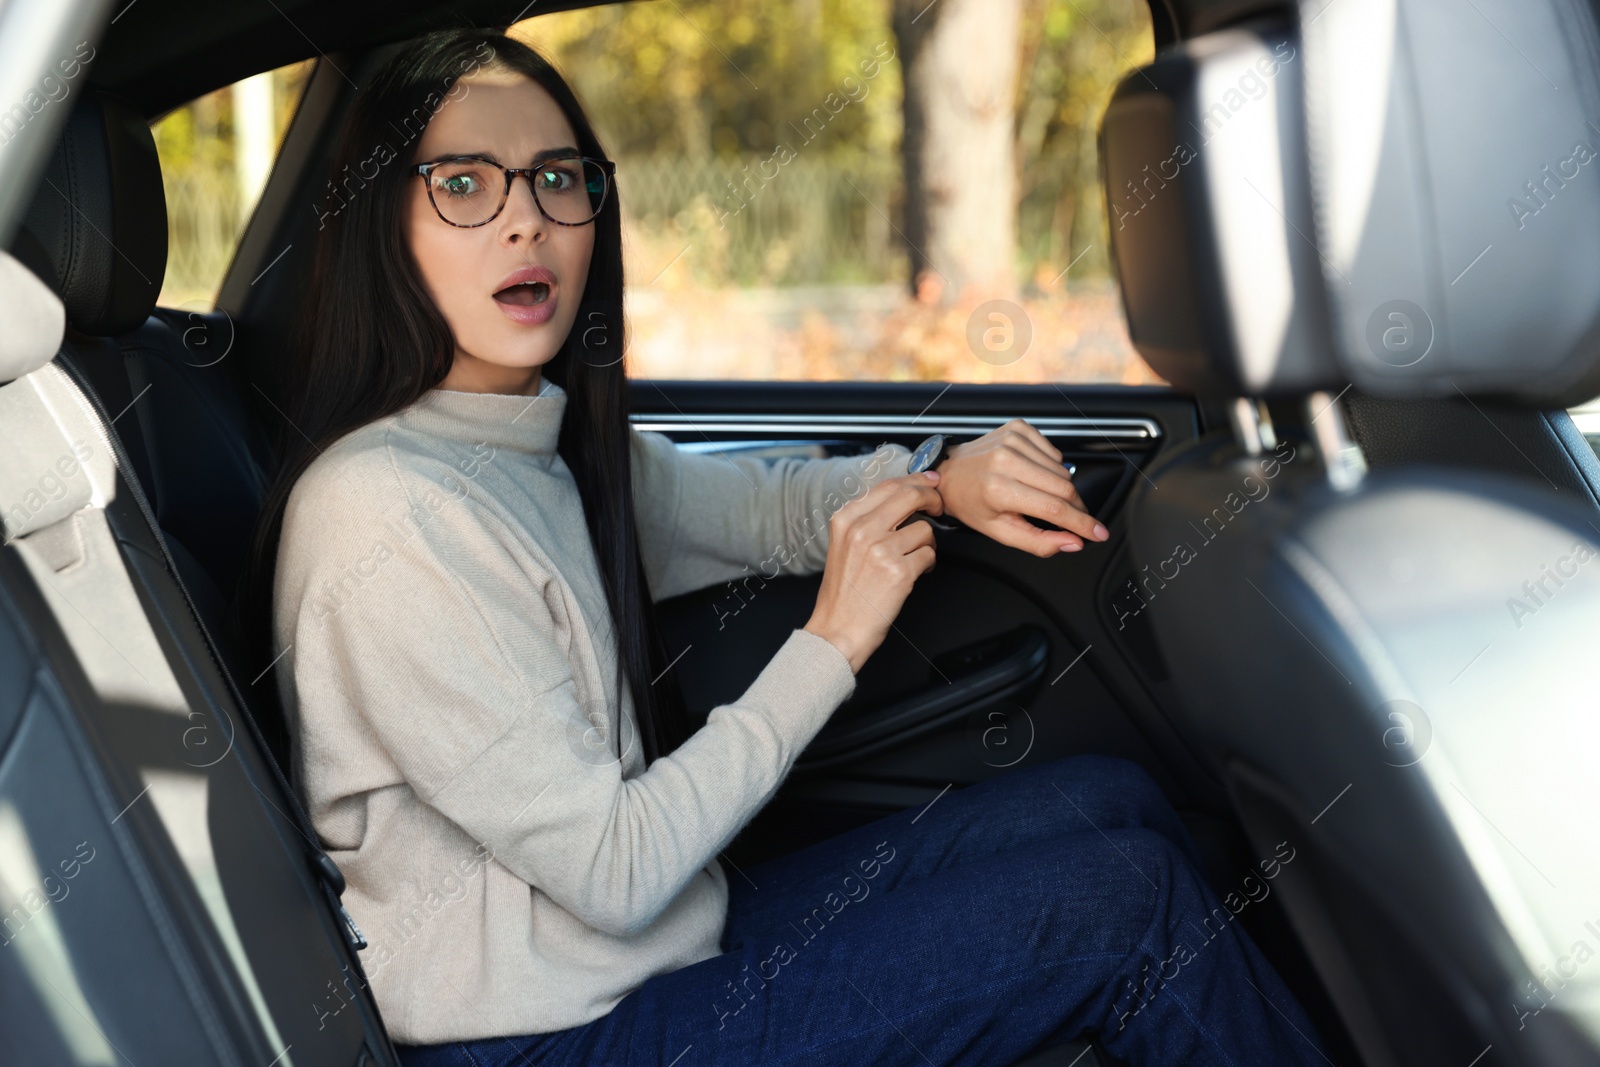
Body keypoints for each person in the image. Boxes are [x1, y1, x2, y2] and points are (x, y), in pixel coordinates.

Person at [247, 26, 1331, 1067]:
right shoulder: (385, 511)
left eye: (558, 178)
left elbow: (768, 510)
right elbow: (615, 870)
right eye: (465, 183)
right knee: (1126, 904)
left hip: (645, 958)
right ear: (383, 223)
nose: (527, 222)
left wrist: (942, 483)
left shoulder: (545, 442)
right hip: (547, 1036)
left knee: (1111, 798)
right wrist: (833, 639)